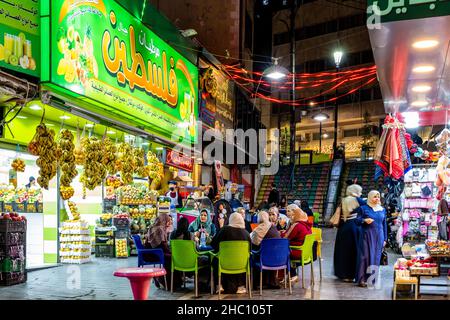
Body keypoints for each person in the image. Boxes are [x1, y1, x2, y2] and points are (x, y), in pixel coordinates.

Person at [211, 213, 251, 294]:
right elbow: (250, 249)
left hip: (224, 264)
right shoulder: (246, 233)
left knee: (214, 259)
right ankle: (241, 286)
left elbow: (213, 244)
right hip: (241, 265)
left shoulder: (224, 230)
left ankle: (219, 285)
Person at [355, 190, 387, 288]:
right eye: (374, 197)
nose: (377, 199)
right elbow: (357, 221)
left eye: (378, 197)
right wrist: (364, 220)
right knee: (365, 256)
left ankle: (371, 280)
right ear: (369, 197)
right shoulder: (363, 208)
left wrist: (385, 238)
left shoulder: (382, 209)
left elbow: (384, 224)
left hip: (379, 236)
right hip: (367, 235)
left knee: (376, 257)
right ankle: (362, 279)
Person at [333, 184, 365, 282]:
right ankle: (352, 274)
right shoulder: (359, 201)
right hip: (354, 228)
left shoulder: (342, 200)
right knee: (354, 251)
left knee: (342, 252)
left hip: (342, 229)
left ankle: (343, 274)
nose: (361, 193)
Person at [145, 213, 181, 289]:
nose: (169, 222)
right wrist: (171, 252)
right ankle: (166, 282)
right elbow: (163, 246)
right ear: (164, 220)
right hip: (154, 254)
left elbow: (161, 245)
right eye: (168, 220)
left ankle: (167, 281)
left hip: (150, 252)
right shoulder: (160, 229)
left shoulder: (154, 227)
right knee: (173, 258)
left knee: (172, 256)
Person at [250, 210, 281, 289]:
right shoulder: (273, 227)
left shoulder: (258, 230)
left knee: (252, 255)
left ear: (258, 219)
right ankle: (269, 281)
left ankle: (255, 282)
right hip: (278, 259)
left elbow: (254, 244)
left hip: (264, 260)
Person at [281, 207, 313, 282]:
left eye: (292, 215)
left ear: (296, 216)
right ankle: (288, 274)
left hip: (297, 251)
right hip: (306, 252)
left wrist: (280, 233)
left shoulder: (297, 225)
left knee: (282, 252)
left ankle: (292, 274)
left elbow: (285, 237)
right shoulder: (307, 225)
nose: (291, 217)